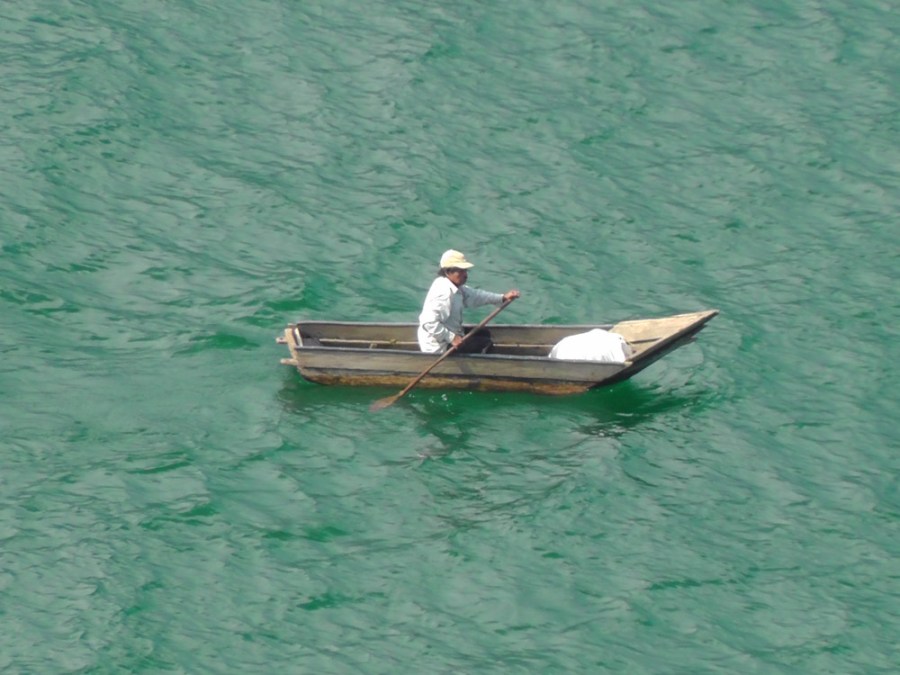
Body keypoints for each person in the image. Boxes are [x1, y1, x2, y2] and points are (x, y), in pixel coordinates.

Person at [417, 249, 521, 354]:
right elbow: (428, 322)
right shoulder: (443, 293)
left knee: (484, 333)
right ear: (448, 272)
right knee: (485, 343)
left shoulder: (456, 287)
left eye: (465, 271)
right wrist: (452, 338)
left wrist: (502, 298)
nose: (465, 275)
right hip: (439, 346)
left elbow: (476, 296)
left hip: (452, 333)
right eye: (461, 271)